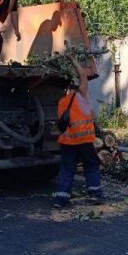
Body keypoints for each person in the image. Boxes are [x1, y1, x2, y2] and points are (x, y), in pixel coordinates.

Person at [53, 60, 103, 207]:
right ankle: (95, 195)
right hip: (85, 141)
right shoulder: (82, 96)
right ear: (77, 87)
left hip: (68, 142)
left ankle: (61, 199)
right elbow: (83, 75)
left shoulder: (62, 102)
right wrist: (73, 60)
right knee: (91, 166)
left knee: (67, 169)